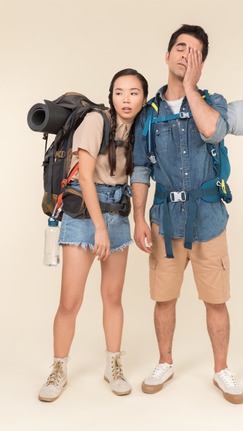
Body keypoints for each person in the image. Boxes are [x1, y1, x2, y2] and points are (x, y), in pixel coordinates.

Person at [131, 25, 243, 404]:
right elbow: (141, 170)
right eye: (180, 47)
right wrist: (138, 218)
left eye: (194, 51)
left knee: (216, 300)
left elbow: (213, 132)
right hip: (164, 221)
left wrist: (192, 88)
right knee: (163, 299)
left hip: (209, 220)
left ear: (201, 62)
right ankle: (165, 361)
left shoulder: (213, 100)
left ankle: (221, 370)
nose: (185, 54)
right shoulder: (148, 115)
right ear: (167, 56)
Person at [38, 68, 148, 402]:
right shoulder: (96, 121)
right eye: (119, 92)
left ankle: (112, 365)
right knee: (70, 301)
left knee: (113, 297)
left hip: (118, 213)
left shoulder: (138, 131)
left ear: (144, 98)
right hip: (84, 215)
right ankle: (58, 369)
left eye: (133, 93)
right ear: (111, 95)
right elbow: (85, 177)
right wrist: (99, 228)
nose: (126, 99)